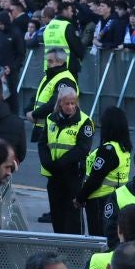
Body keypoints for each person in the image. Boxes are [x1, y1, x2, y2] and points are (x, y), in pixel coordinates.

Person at [41, 85, 92, 235]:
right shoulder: (51, 119)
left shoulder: (85, 122)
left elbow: (83, 148)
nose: (70, 107)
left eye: (73, 103)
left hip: (73, 174)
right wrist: (46, 162)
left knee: (73, 216)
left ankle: (75, 250)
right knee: (57, 213)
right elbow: (42, 143)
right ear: (60, 104)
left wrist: (60, 164)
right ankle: (60, 245)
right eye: (67, 103)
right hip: (54, 174)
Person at [75, 106, 133, 235]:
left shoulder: (107, 150)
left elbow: (95, 179)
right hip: (117, 198)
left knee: (98, 238)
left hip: (100, 200)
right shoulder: (123, 148)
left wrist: (80, 198)